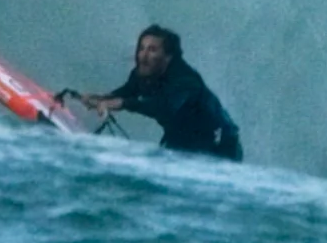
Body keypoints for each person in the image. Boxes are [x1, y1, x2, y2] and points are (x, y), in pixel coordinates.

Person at [76, 25, 241, 159]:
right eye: (141, 48)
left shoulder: (185, 81)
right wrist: (100, 98)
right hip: (179, 139)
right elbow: (128, 91)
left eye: (152, 50)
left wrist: (121, 104)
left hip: (219, 145)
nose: (143, 55)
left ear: (168, 56)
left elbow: (164, 107)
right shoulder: (143, 73)